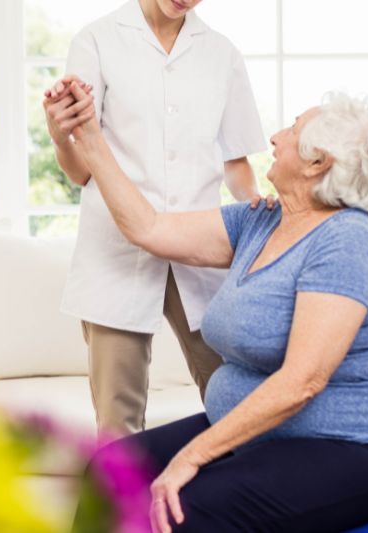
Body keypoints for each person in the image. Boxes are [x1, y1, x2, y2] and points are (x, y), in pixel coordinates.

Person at [63, 85, 368, 532]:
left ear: (318, 163)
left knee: (186, 506)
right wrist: (90, 139)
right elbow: (149, 227)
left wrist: (193, 455)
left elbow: (302, 382)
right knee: (110, 470)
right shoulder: (260, 220)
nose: (275, 137)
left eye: (292, 130)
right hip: (274, 434)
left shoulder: (345, 243)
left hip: (362, 446)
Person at [42, 0, 273, 437]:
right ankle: (122, 509)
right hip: (115, 252)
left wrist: (261, 214)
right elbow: (81, 170)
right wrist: (59, 136)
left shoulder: (222, 54)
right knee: (118, 429)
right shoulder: (96, 40)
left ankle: (237, 503)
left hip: (199, 249)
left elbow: (235, 160)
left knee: (240, 412)